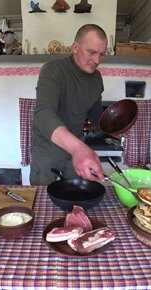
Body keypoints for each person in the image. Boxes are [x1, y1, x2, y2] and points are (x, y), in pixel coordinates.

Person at [30, 24, 107, 185]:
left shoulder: (96, 79)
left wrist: (115, 129)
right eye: (92, 52)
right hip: (48, 148)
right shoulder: (53, 70)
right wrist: (78, 148)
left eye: (101, 54)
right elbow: (43, 114)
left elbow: (96, 116)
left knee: (75, 198)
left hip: (76, 147)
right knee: (44, 199)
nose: (97, 60)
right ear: (75, 47)